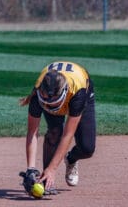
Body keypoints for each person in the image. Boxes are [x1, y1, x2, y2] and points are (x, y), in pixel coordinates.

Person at [19, 61, 96, 193]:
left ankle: (71, 159)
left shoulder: (78, 92)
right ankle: (45, 180)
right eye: (46, 102)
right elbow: (32, 132)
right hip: (54, 95)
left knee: (87, 148)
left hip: (80, 92)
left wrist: (53, 169)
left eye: (53, 102)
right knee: (54, 133)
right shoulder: (37, 94)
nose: (50, 105)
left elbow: (68, 134)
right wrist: (30, 168)